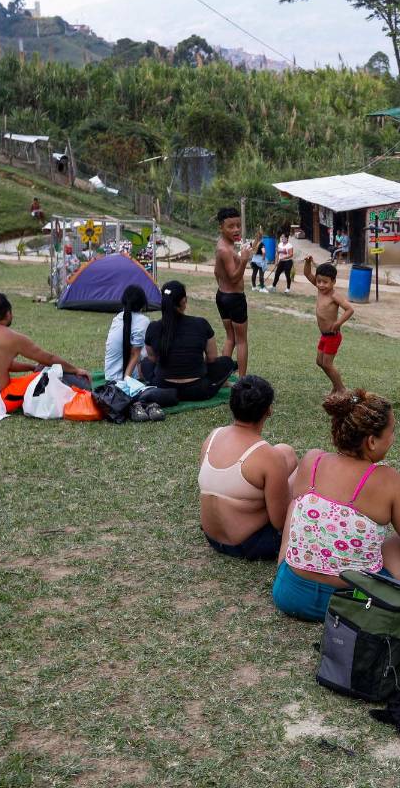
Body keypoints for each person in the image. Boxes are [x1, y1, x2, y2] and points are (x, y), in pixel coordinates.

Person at [272, 389, 400, 622]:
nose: (393, 438)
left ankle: (301, 567)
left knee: (297, 505)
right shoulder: (386, 479)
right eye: (391, 432)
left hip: (290, 594)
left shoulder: (313, 459)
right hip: (357, 605)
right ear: (371, 441)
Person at [0, 292, 91, 420]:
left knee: (40, 372)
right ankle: (89, 392)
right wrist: (76, 370)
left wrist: (32, 367)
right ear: (8, 313)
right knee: (50, 373)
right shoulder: (11, 338)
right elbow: (49, 359)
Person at [199, 375, 298, 560]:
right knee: (301, 474)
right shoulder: (268, 456)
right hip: (248, 544)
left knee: (286, 451)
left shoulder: (213, 436)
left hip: (212, 536)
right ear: (268, 410)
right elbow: (279, 522)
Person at [141, 280, 237, 403]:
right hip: (199, 390)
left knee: (145, 363)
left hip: (163, 386)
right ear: (183, 301)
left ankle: (168, 392)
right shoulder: (201, 324)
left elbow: (152, 359)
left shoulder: (153, 327)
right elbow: (212, 359)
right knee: (227, 362)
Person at [213, 207, 255, 377]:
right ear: (221, 228)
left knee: (230, 337)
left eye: (238, 225)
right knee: (241, 340)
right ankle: (242, 381)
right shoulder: (226, 249)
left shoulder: (223, 245)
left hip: (222, 296)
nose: (236, 229)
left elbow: (217, 272)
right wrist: (244, 260)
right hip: (234, 298)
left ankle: (222, 378)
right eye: (231, 226)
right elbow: (234, 277)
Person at [302, 258, 354, 394]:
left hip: (333, 336)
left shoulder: (334, 295)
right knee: (320, 361)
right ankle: (336, 385)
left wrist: (338, 323)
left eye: (325, 282)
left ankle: (342, 389)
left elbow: (349, 310)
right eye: (318, 281)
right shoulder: (320, 289)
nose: (321, 285)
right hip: (324, 335)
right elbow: (307, 274)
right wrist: (308, 262)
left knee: (327, 364)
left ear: (333, 282)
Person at [103, 285, 150, 382]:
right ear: (142, 303)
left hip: (110, 375)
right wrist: (126, 380)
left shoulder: (117, 318)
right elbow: (135, 354)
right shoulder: (143, 321)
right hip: (127, 378)